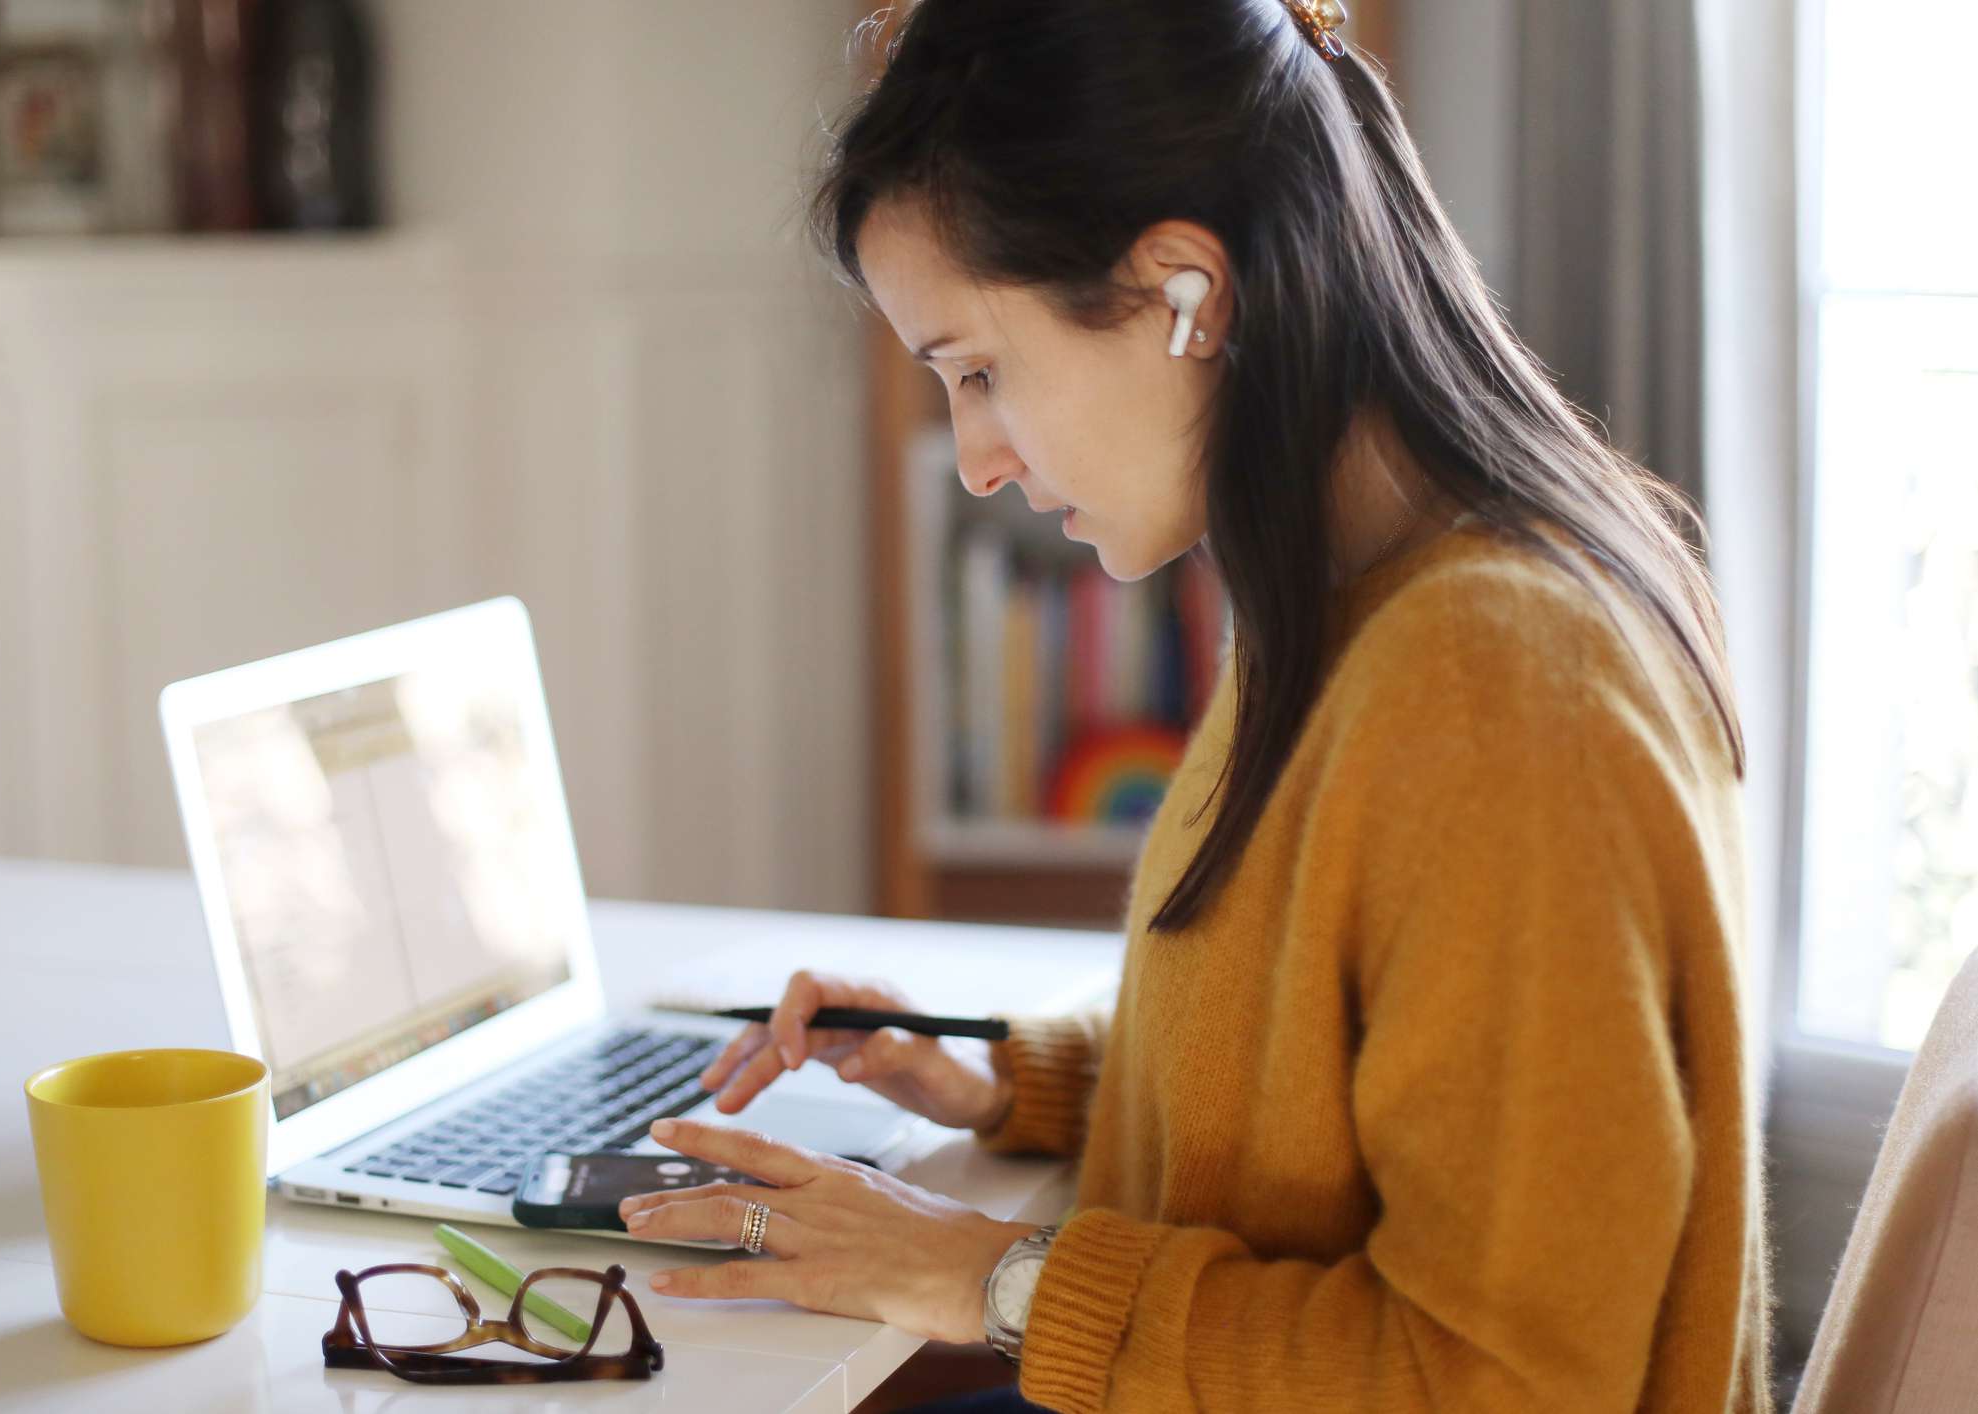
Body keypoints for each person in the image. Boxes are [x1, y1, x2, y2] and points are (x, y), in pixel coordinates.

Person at [613, 1, 1772, 1410]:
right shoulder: (1352, 600)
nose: (975, 458)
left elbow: (1507, 1375)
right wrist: (1001, 1082)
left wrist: (985, 1275)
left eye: (977, 371)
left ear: (1186, 291)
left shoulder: (1495, 688)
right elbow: (1309, 1092)